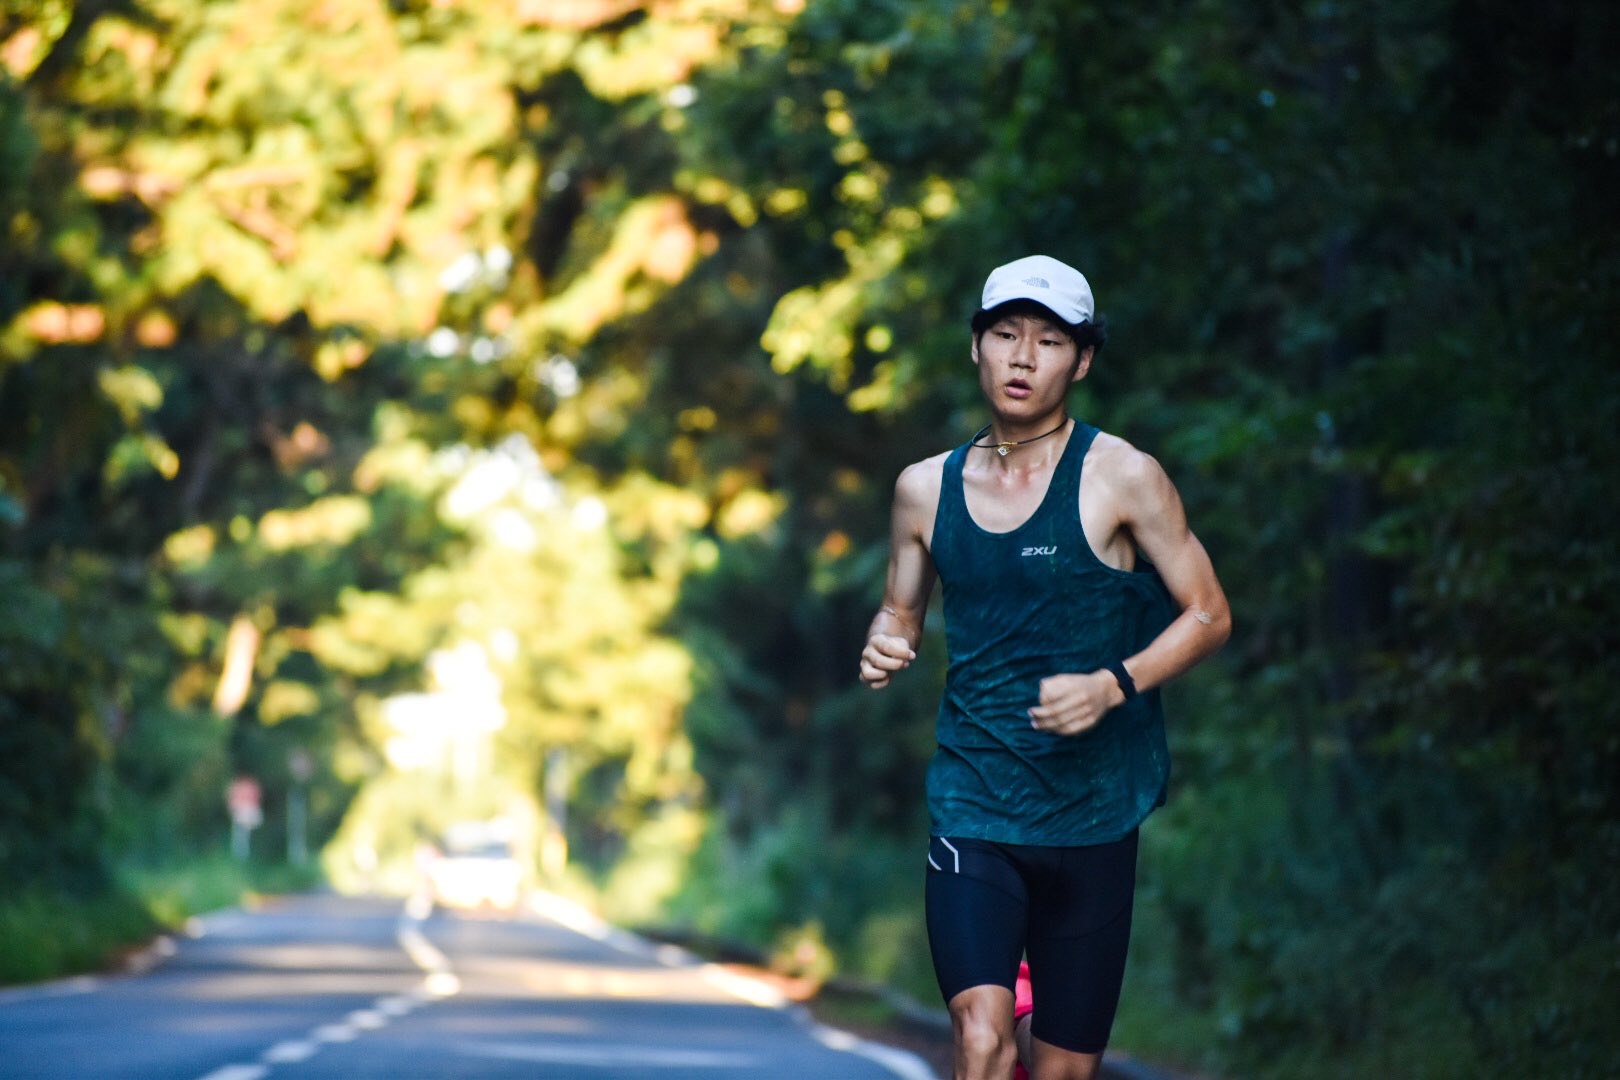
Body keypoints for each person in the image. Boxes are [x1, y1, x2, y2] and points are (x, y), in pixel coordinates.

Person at [859, 255, 1231, 1080]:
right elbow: (901, 611)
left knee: (1063, 1071)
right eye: (1005, 335)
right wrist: (887, 640)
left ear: (1083, 359)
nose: (1023, 357)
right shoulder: (925, 490)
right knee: (980, 1037)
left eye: (1050, 341)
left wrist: (1113, 684)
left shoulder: (1124, 478)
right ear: (977, 347)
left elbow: (1209, 613)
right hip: (975, 801)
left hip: (1094, 814)